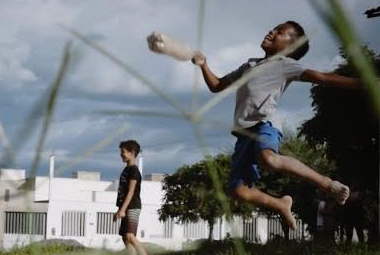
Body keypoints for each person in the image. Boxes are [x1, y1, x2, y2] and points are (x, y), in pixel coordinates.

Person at [151, 21, 366, 230]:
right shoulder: (250, 65)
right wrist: (203, 65)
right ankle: (281, 204)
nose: (271, 32)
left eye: (280, 32)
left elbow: (322, 77)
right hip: (244, 132)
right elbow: (217, 86)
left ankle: (329, 185)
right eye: (273, 28)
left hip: (266, 122)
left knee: (269, 158)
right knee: (239, 192)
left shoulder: (285, 64)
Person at [114, 140, 155, 255]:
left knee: (130, 236)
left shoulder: (134, 171)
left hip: (133, 206)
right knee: (125, 238)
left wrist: (123, 210)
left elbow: (131, 192)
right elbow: (124, 192)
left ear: (132, 153)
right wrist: (119, 210)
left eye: (123, 152)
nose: (121, 154)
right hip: (125, 207)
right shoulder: (126, 169)